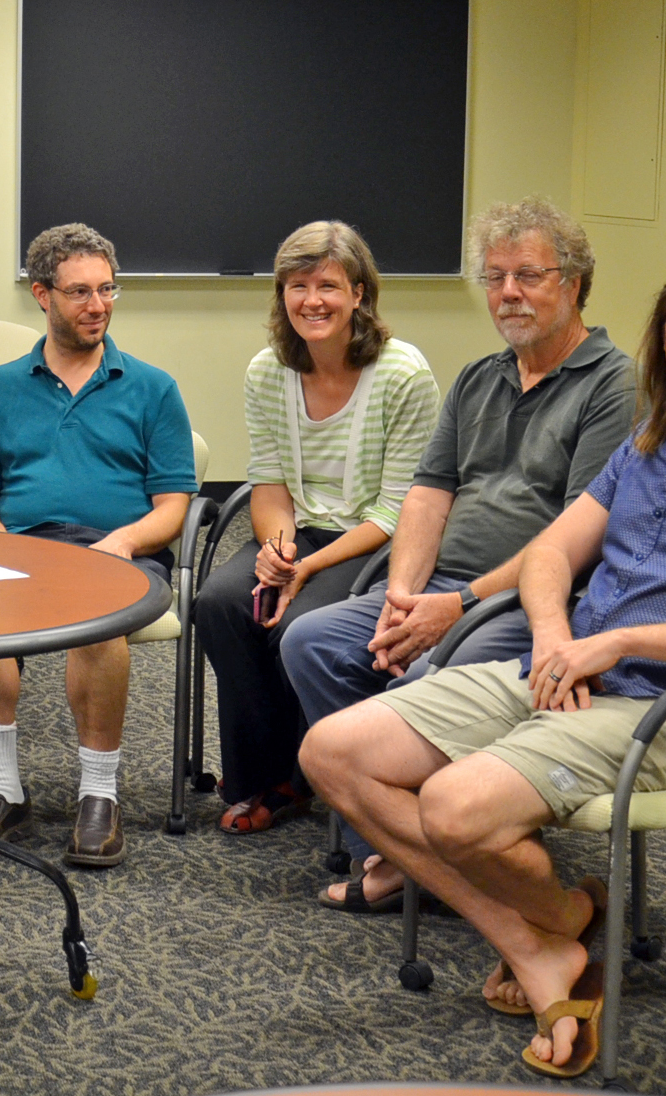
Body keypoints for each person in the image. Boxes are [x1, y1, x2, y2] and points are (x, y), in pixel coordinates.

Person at [300, 252, 666, 1077]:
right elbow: (547, 557)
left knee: (454, 809)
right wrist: (558, 633)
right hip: (562, 671)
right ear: (663, 338)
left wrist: (621, 642)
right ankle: (545, 939)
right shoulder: (649, 441)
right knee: (332, 754)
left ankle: (550, 938)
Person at [278, 198, 636, 910]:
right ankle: (395, 853)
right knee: (312, 641)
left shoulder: (612, 385)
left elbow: (574, 532)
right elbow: (427, 493)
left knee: (417, 684)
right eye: (495, 277)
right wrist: (402, 597)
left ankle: (415, 862)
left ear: (571, 283)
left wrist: (459, 605)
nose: (507, 293)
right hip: (438, 587)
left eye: (528, 276)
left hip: (530, 601)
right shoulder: (480, 377)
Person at [0, 223, 196, 869]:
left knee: (97, 617)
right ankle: (1, 788)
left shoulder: (151, 387)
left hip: (117, 550)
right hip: (22, 547)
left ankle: (98, 796)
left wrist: (124, 541)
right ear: (41, 295)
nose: (97, 305)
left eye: (107, 289)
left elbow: (172, 506)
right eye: (80, 291)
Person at [190, 221, 439, 834]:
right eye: (296, 286)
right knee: (220, 603)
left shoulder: (403, 374)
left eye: (328, 284)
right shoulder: (268, 370)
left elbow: (397, 509)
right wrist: (279, 549)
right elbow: (269, 481)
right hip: (298, 534)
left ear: (359, 293)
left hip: (373, 545)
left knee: (298, 625)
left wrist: (309, 567)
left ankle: (304, 775)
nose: (312, 300)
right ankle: (261, 774)